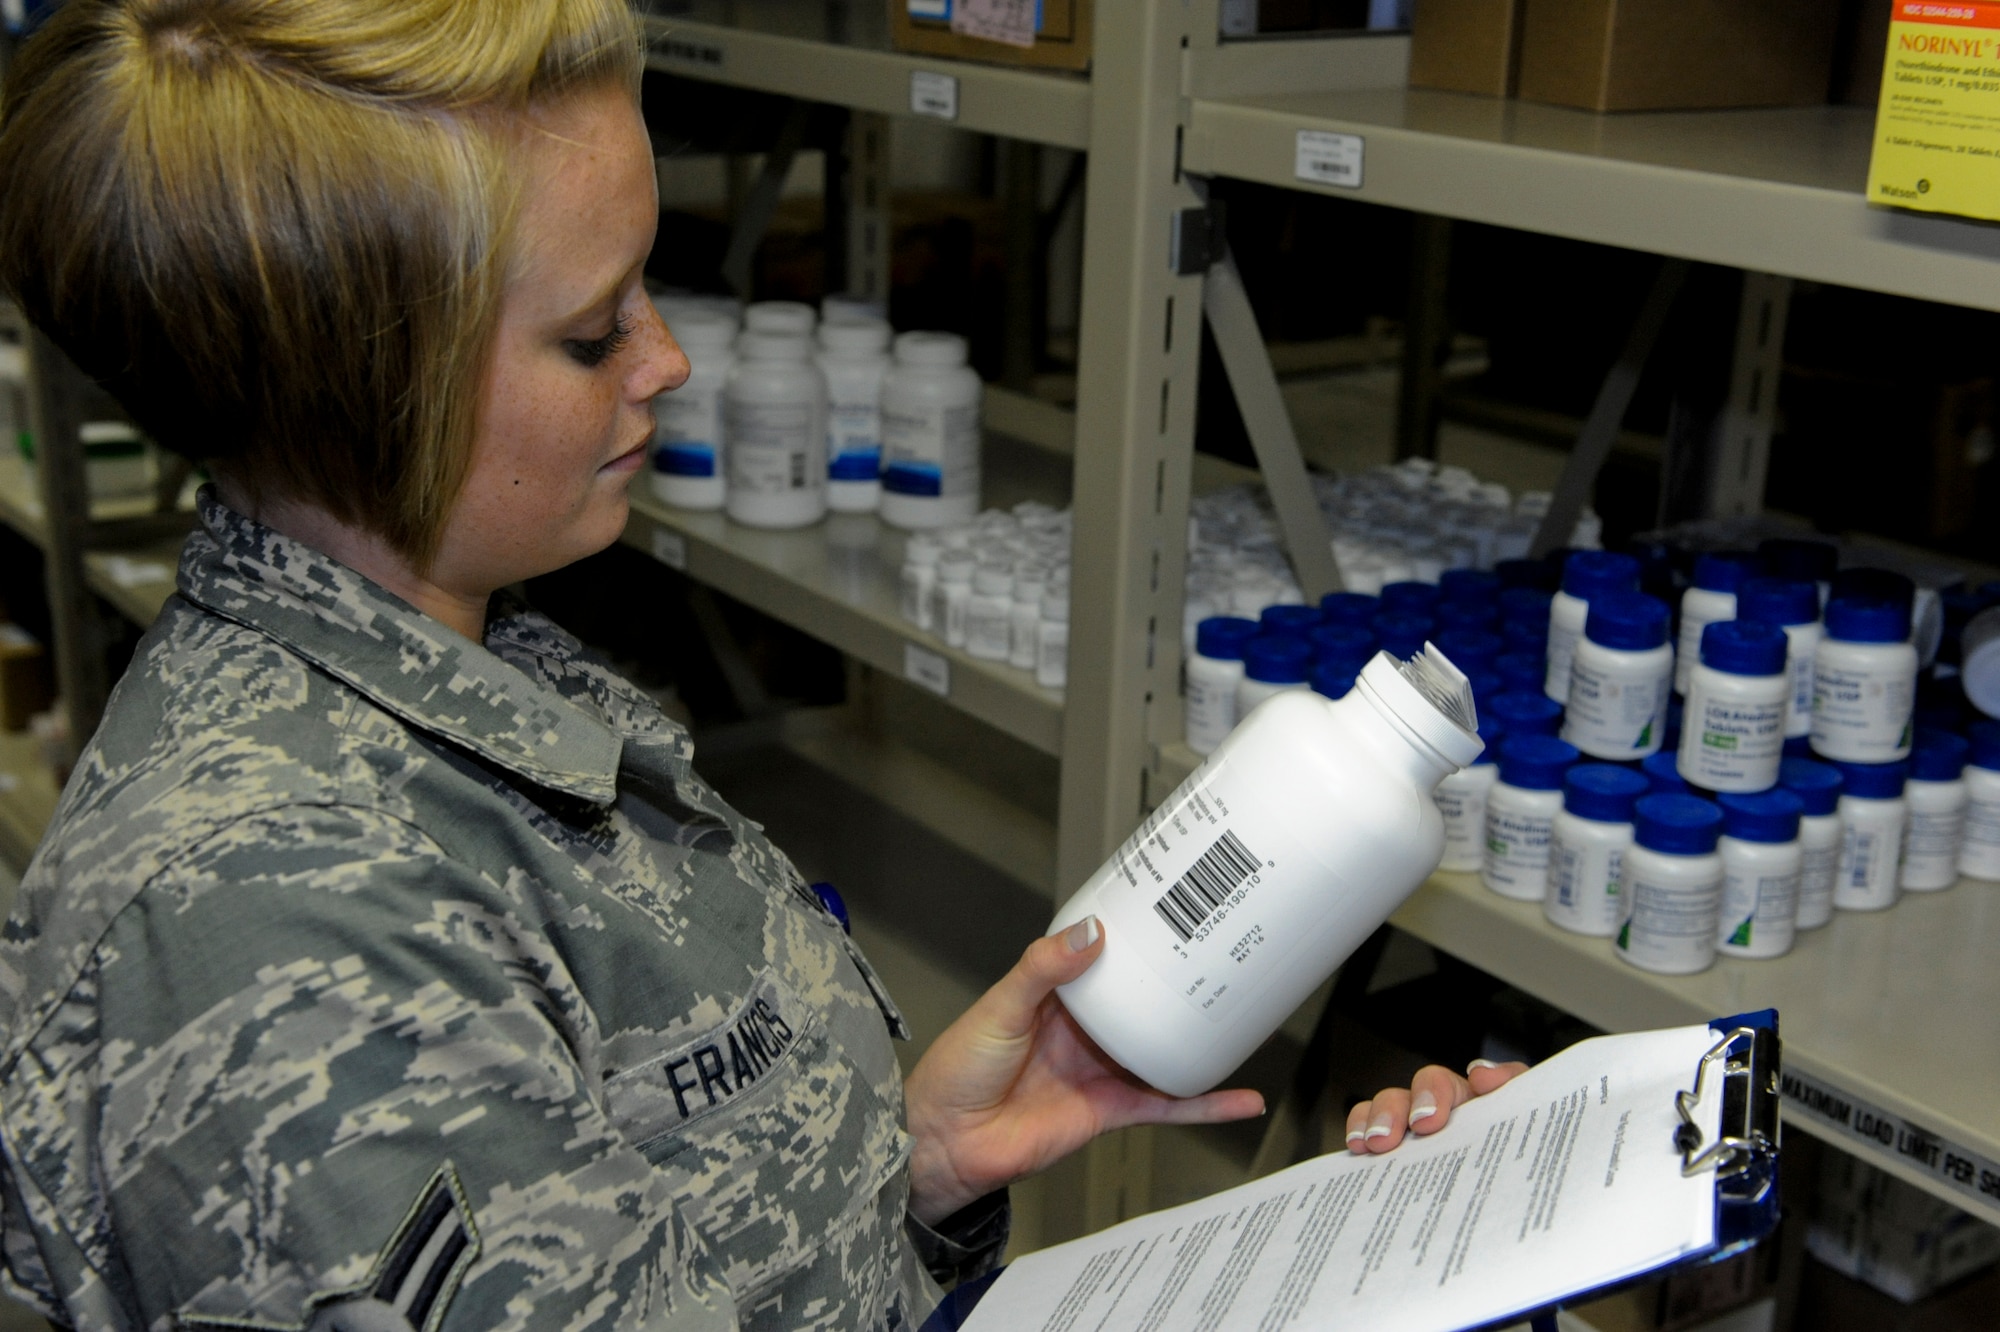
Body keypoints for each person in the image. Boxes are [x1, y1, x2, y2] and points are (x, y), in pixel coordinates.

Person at [0, 2, 1520, 1329]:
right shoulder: (283, 931)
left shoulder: (470, 648)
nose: (665, 360)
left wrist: (906, 1171)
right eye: (594, 335)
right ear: (361, 394)